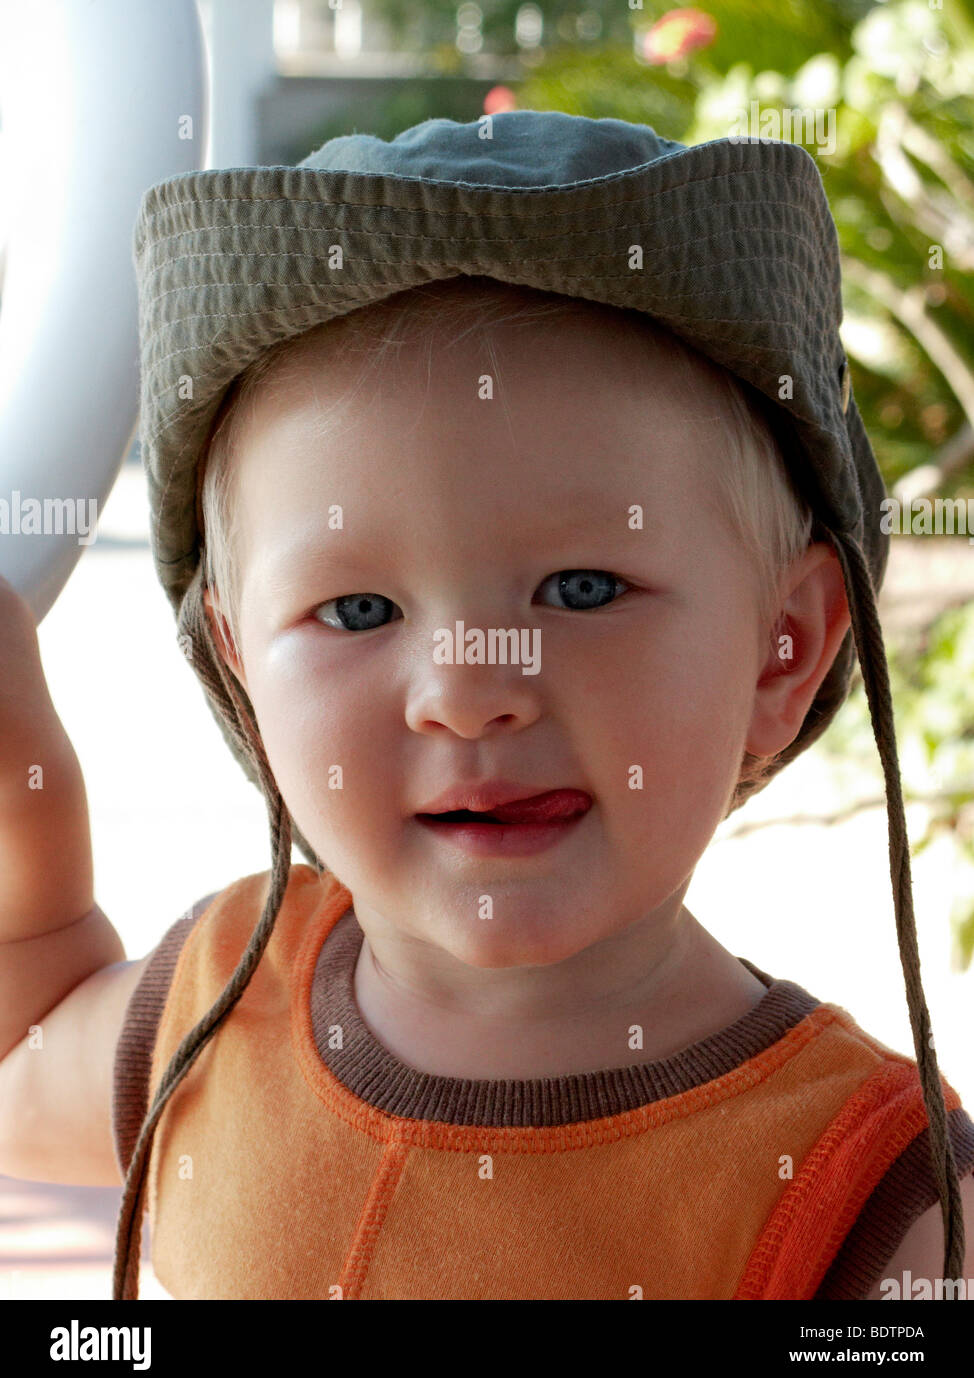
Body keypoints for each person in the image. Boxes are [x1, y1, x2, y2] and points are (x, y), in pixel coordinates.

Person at [1, 112, 971, 1301]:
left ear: (780, 649)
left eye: (581, 587)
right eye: (357, 611)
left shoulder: (876, 1201)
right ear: (241, 668)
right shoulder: (214, 1006)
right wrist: (17, 770)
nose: (466, 691)